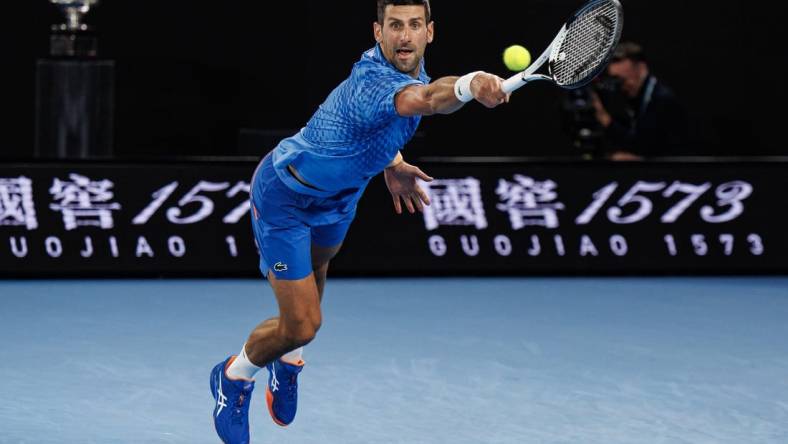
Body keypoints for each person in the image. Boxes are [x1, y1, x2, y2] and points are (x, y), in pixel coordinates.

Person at [209, 1, 510, 442]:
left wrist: (393, 162)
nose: (404, 36)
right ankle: (234, 376)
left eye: (414, 25)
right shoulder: (376, 80)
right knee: (304, 324)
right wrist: (470, 83)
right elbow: (423, 101)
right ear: (377, 31)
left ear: (430, 32)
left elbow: (390, 120)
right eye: (394, 26)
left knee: (317, 276)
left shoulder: (413, 75)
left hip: (341, 197)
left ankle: (287, 358)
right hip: (285, 200)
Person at [589, 41, 689, 160]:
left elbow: (651, 146)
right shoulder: (632, 98)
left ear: (641, 67)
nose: (623, 87)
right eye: (618, 81)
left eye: (625, 80)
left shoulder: (662, 100)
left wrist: (606, 120)